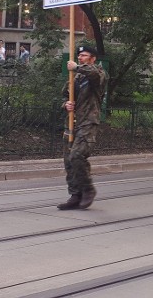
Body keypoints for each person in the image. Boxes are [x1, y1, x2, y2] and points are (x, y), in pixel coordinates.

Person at [57, 45, 107, 211]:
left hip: (88, 122)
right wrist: (66, 104)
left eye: (84, 55)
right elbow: (64, 95)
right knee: (69, 161)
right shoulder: (75, 77)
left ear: (92, 58)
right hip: (72, 122)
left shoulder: (98, 73)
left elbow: (93, 74)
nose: (80, 57)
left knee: (78, 155)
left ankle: (88, 189)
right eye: (79, 55)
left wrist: (77, 67)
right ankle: (75, 195)